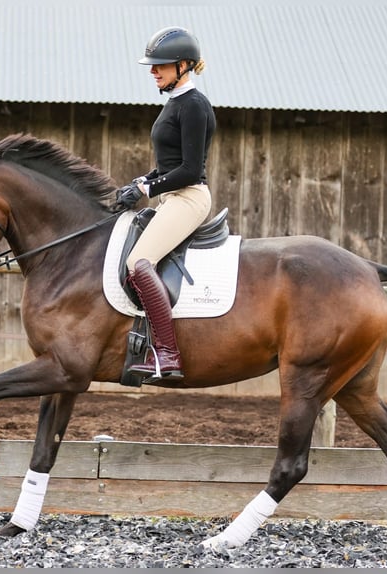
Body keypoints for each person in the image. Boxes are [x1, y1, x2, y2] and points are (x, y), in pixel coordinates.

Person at [114, 26, 216, 381]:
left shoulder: (194, 106)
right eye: (152, 65)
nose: (153, 71)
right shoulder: (175, 103)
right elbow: (168, 165)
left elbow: (189, 170)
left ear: (185, 65)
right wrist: (140, 182)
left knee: (138, 263)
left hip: (188, 197)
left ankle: (168, 354)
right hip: (173, 194)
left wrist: (147, 189)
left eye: (161, 65)